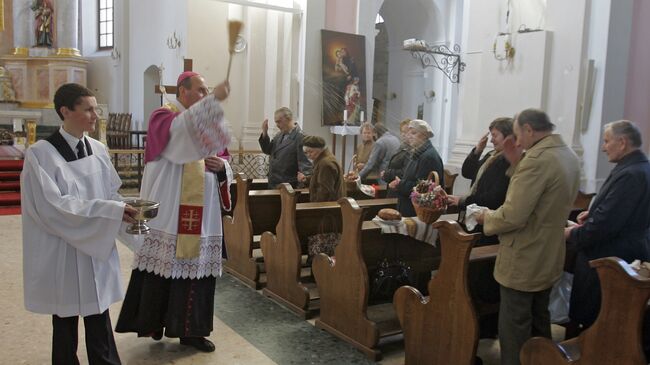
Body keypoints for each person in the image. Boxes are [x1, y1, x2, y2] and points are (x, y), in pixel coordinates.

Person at [21, 83, 137, 364]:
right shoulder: (41, 154)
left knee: (98, 311)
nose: (95, 115)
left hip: (95, 244)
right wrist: (110, 210)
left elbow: (111, 192)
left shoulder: (97, 149)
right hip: (63, 248)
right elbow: (52, 207)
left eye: (95, 108)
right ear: (65, 111)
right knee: (65, 315)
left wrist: (126, 212)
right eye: (88, 109)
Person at [116, 72, 232, 353]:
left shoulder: (207, 121)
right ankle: (154, 322)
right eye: (200, 91)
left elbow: (225, 156)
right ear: (182, 91)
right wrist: (215, 99)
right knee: (162, 265)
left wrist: (222, 167)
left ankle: (192, 332)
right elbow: (179, 139)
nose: (204, 96)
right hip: (169, 210)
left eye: (207, 91)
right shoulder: (163, 116)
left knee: (196, 268)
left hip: (202, 212)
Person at [476, 108, 580, 365]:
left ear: (530, 130)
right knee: (538, 320)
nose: (517, 141)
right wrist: (516, 163)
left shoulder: (536, 160)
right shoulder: (567, 154)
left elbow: (513, 215)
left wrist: (485, 218)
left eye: (518, 133)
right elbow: (541, 198)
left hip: (524, 256)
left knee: (514, 327)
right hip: (548, 253)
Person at [564, 120, 650, 331]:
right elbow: (621, 212)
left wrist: (572, 235)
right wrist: (591, 213)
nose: (603, 147)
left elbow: (606, 225)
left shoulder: (631, 174)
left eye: (606, 141)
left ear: (622, 142)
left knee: (595, 324)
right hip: (624, 251)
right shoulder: (639, 167)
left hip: (608, 259)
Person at [448, 117, 513, 244]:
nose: (492, 140)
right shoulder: (491, 154)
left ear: (508, 136)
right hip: (477, 213)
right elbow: (467, 172)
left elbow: (495, 197)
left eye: (495, 136)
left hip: (487, 218)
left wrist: (463, 201)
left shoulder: (507, 160)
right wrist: (478, 150)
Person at [299, 135, 345, 259]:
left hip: (326, 208)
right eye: (306, 152)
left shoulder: (325, 163)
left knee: (322, 237)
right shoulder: (325, 159)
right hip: (329, 206)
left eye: (310, 151)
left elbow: (325, 190)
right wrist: (307, 179)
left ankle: (319, 263)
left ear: (319, 149)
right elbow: (322, 180)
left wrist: (314, 208)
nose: (308, 155)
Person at [388, 119, 444, 217]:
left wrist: (400, 184)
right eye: (408, 133)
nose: (409, 136)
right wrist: (401, 182)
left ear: (424, 135)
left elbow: (423, 189)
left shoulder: (428, 157)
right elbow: (413, 178)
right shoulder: (418, 153)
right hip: (409, 207)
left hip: (417, 212)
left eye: (413, 133)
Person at [259, 107, 313, 188]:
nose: (277, 125)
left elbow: (306, 166)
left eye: (279, 122)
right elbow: (268, 150)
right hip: (274, 183)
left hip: (289, 187)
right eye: (276, 122)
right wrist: (264, 133)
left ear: (288, 119)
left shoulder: (301, 138)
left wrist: (303, 185)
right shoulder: (279, 135)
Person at [382, 119, 412, 197]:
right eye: (402, 131)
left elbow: (404, 172)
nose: (403, 134)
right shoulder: (402, 147)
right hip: (393, 187)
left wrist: (387, 173)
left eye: (406, 132)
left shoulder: (410, 150)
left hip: (399, 190)